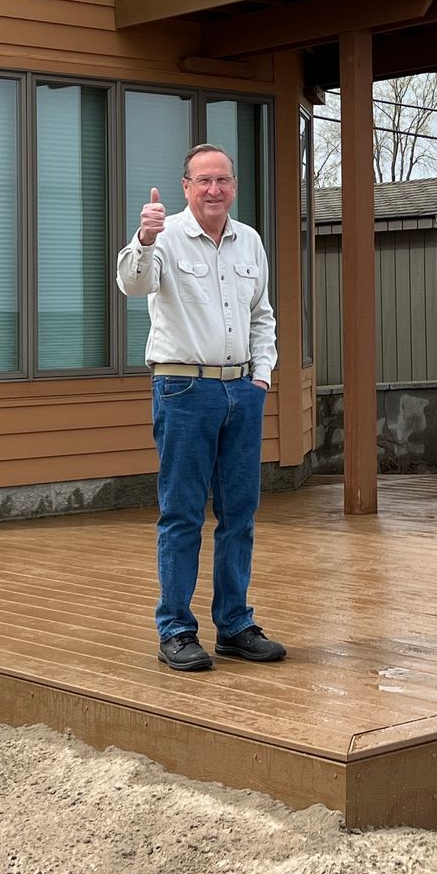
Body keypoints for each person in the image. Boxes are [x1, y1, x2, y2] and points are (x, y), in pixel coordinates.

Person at [116, 143, 284, 673]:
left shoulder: (250, 242)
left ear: (233, 186)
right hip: (184, 390)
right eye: (203, 181)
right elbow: (132, 283)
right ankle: (176, 630)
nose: (214, 190)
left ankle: (234, 625)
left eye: (223, 180)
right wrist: (142, 238)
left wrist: (261, 376)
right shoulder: (163, 237)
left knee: (240, 515)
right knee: (183, 514)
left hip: (242, 392)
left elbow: (262, 315)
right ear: (186, 187)